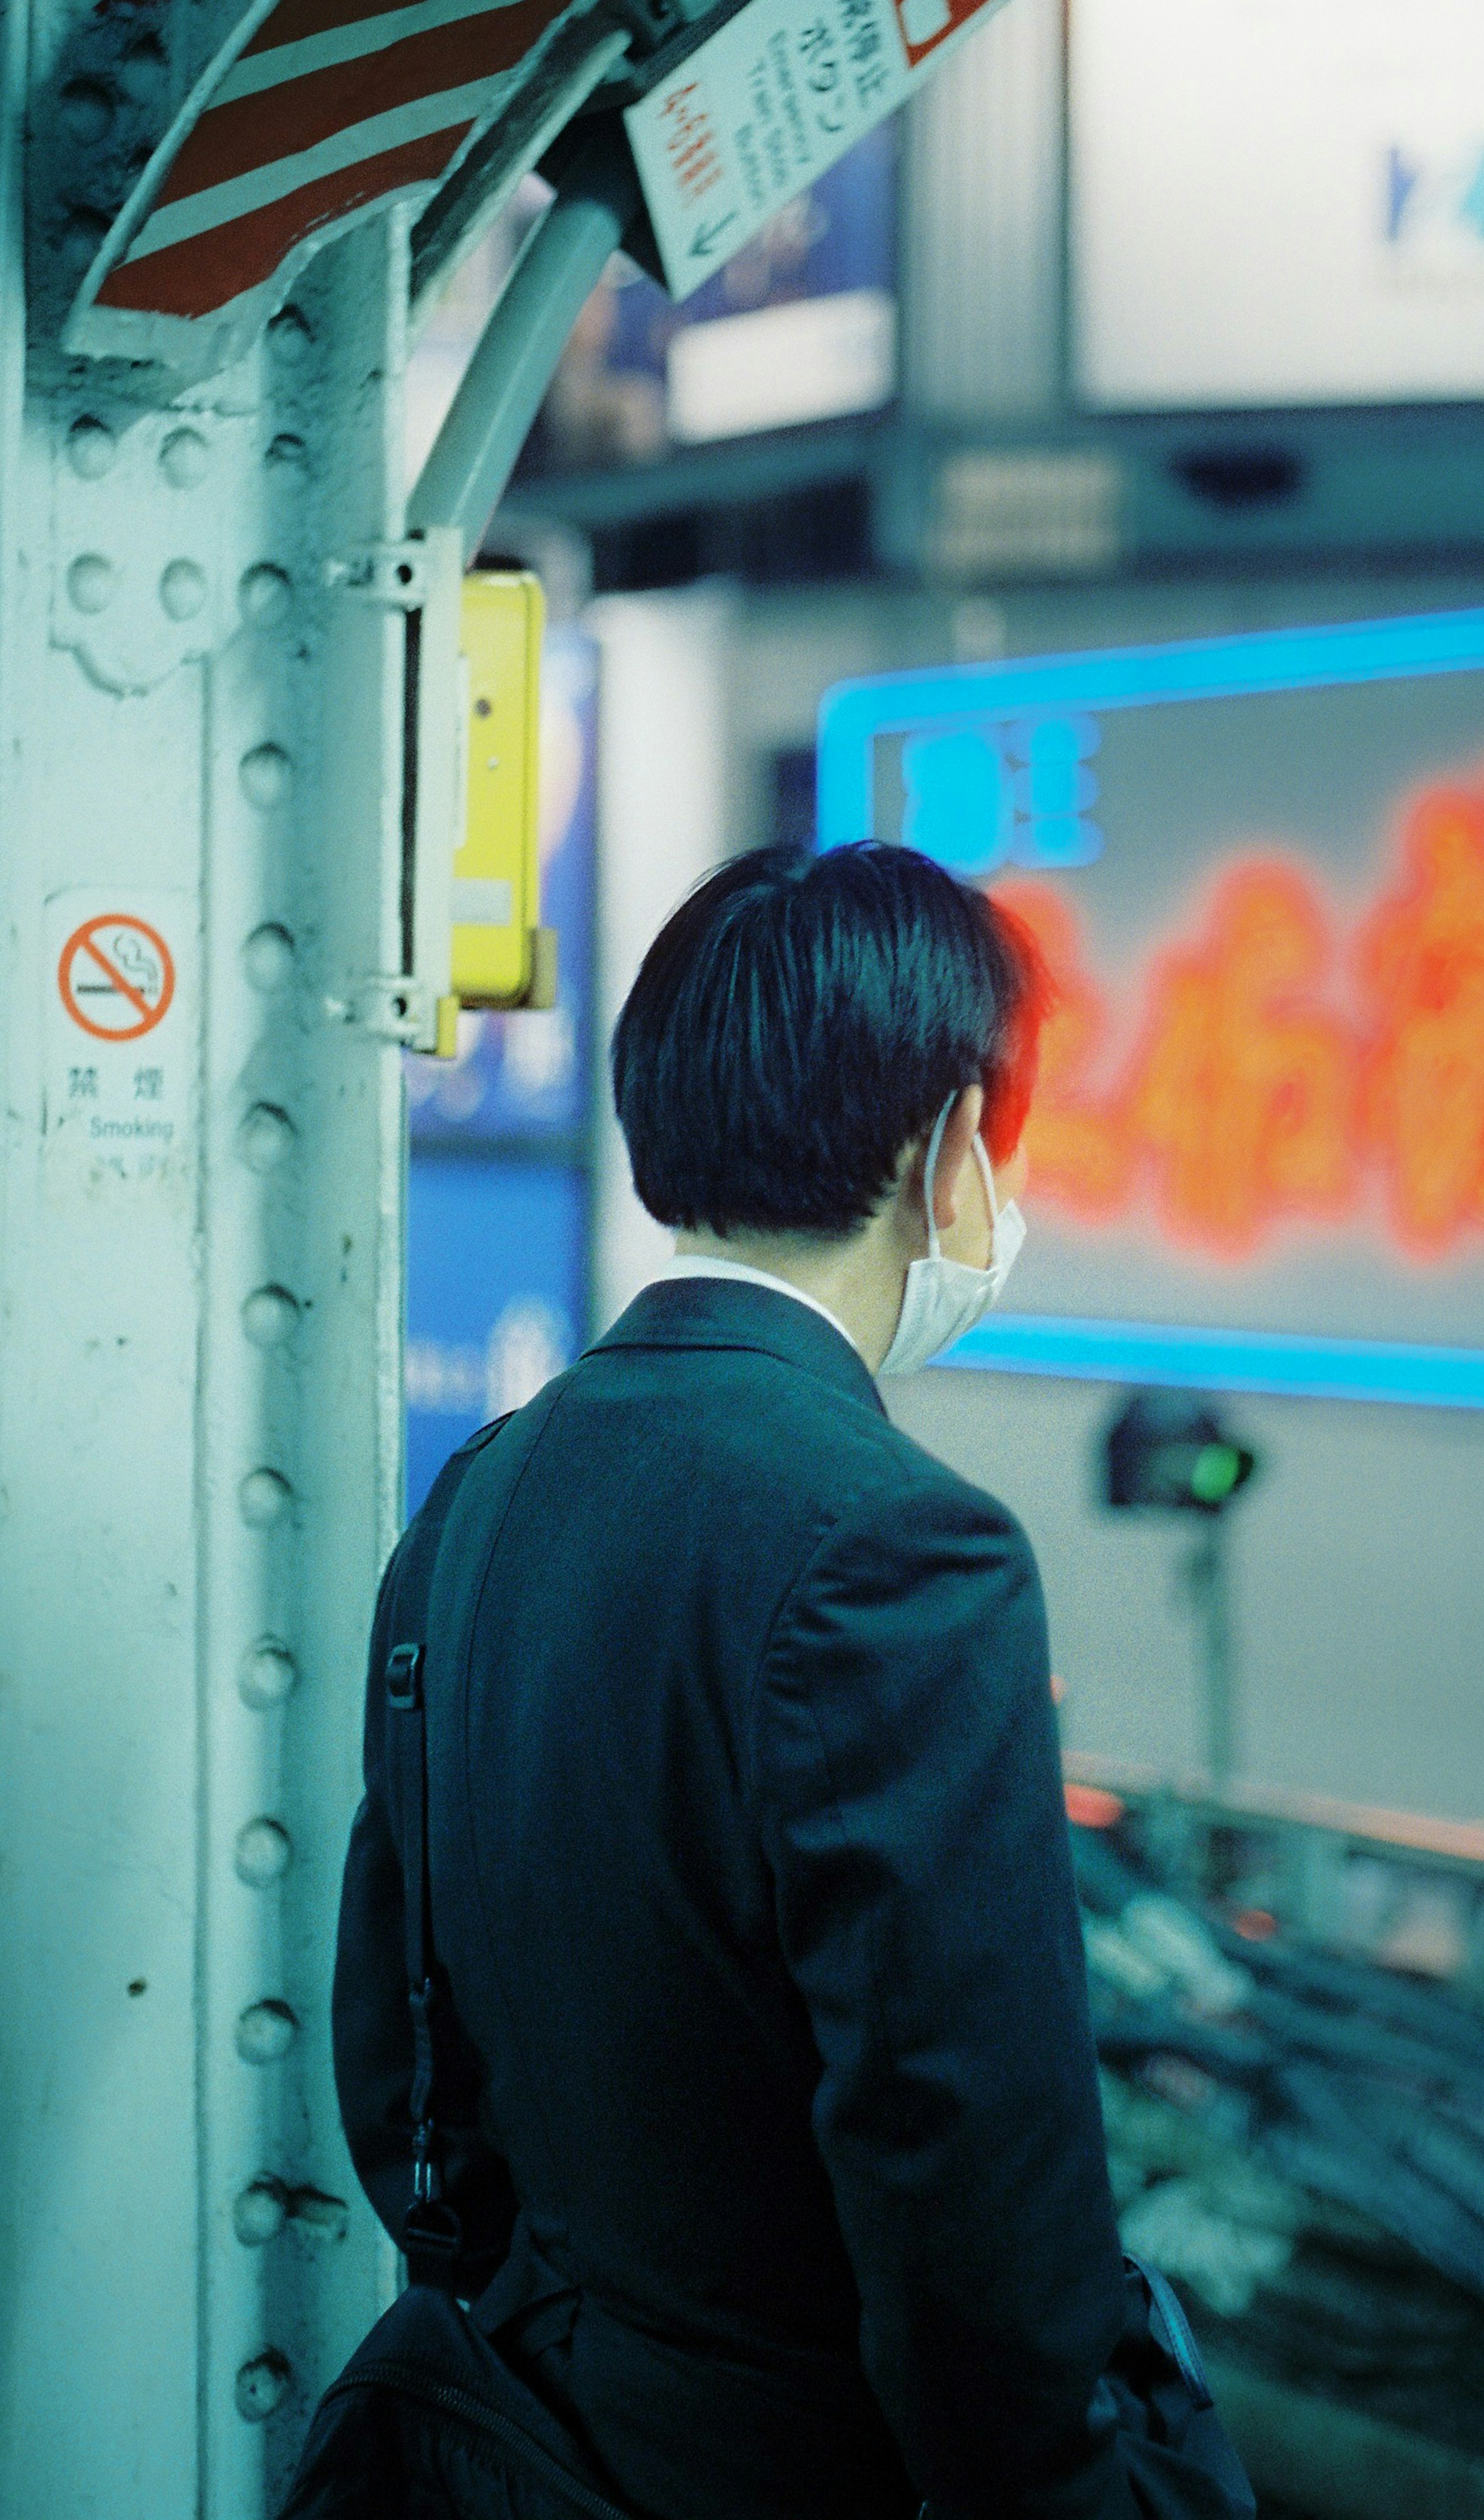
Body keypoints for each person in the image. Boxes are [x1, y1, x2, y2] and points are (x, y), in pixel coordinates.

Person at [332, 842, 1142, 2520]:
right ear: (942, 1154)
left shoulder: (486, 1486)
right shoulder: (902, 1550)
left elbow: (398, 2058)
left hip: (518, 2427)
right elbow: (971, 2176)